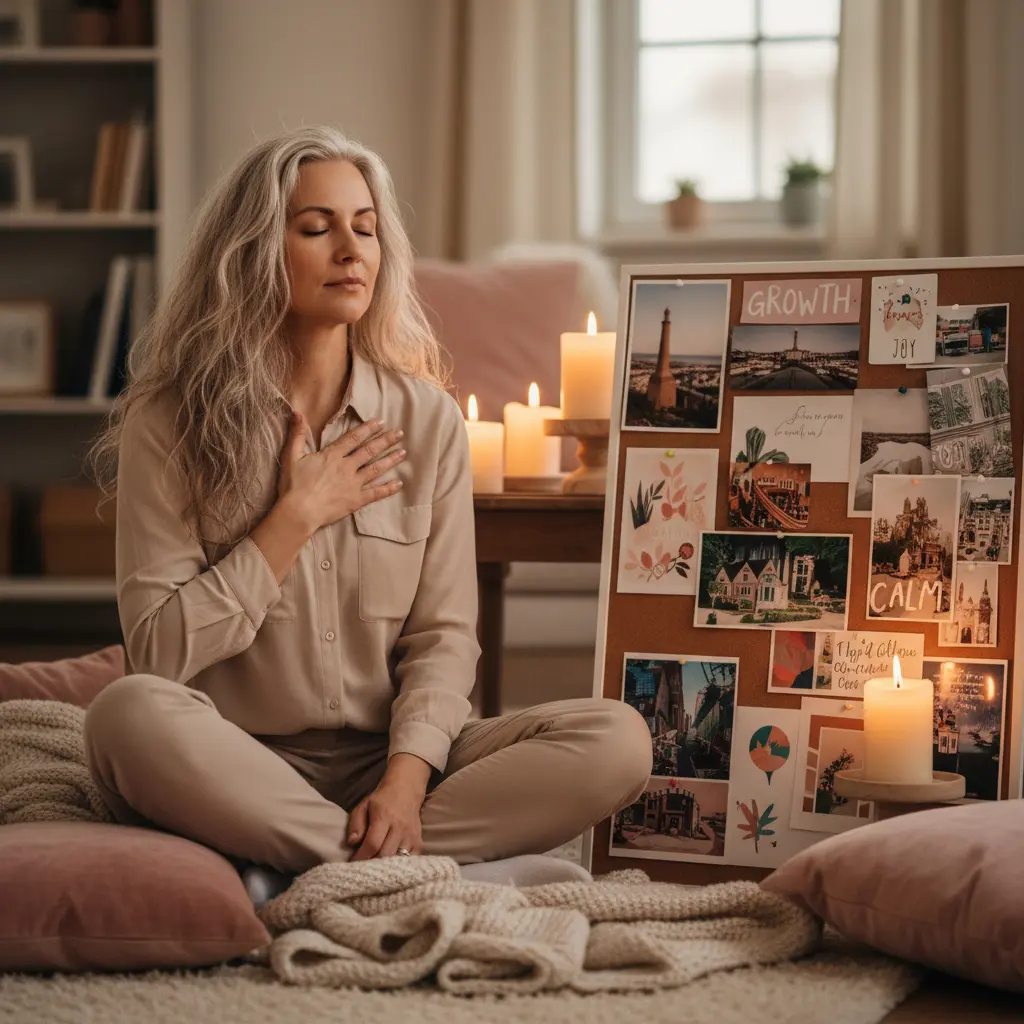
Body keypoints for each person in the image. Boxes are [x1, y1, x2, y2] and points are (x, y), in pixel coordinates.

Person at [83, 125, 652, 879]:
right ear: (251, 253)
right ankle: (413, 870)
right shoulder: (168, 420)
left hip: (386, 763)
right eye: (316, 228)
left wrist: (404, 785)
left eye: (367, 229)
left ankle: (330, 858)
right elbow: (157, 653)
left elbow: (445, 640)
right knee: (125, 720)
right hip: (232, 759)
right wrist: (294, 517)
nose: (351, 250)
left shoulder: (426, 420)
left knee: (618, 739)